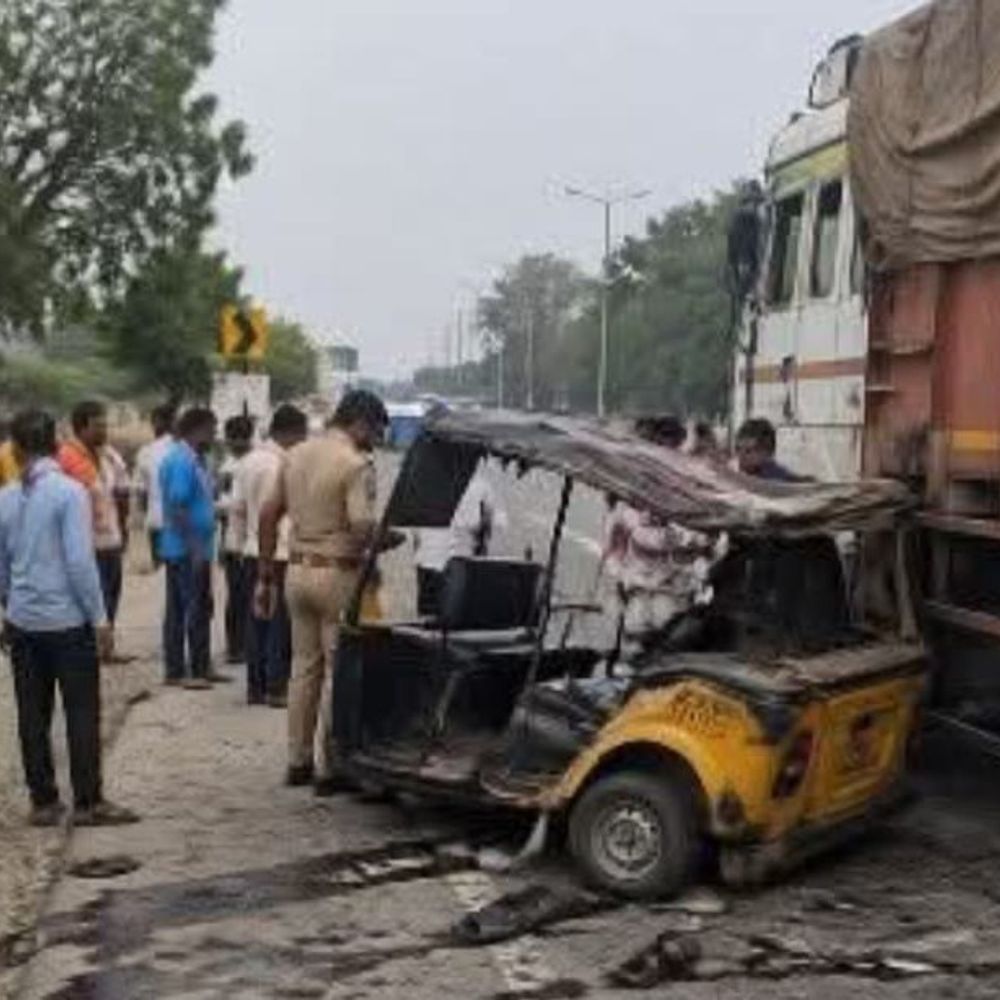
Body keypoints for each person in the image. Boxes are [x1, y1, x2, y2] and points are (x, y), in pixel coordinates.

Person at [257, 389, 399, 795]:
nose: (375, 438)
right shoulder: (356, 464)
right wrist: (388, 538)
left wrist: (265, 575)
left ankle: (297, 761)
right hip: (339, 576)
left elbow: (268, 514)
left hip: (297, 571)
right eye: (375, 430)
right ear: (359, 422)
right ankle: (330, 767)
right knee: (343, 670)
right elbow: (360, 527)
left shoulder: (295, 454)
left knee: (303, 668)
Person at [0, 410, 138, 827]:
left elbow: (2, 564)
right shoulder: (68, 492)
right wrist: (100, 618)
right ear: (57, 445)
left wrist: (7, 606)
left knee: (31, 713)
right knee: (81, 711)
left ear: (17, 449)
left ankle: (43, 801)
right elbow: (80, 562)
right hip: (67, 622)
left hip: (23, 621)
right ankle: (89, 801)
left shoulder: (6, 496)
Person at [234, 404, 308, 706]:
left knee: (257, 621)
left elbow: (238, 510)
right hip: (277, 554)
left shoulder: (248, 461)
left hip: (252, 551)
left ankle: (255, 687)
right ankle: (277, 688)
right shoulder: (284, 464)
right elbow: (279, 515)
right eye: (302, 435)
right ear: (292, 432)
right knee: (280, 623)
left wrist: (240, 545)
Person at [159, 407, 223, 690]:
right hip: (186, 550)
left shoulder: (194, 459)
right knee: (188, 609)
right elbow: (177, 506)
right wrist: (195, 546)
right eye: (212, 429)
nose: (214, 435)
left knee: (197, 606)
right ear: (197, 429)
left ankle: (200, 665)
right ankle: (180, 670)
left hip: (195, 548)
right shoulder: (181, 460)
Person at [58, 401, 131, 633]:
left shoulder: (107, 454)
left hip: (110, 539)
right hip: (86, 542)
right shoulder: (66, 457)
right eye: (98, 426)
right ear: (81, 428)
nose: (104, 431)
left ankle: (106, 646)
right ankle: (92, 646)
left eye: (105, 426)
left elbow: (119, 490)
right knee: (93, 596)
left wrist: (123, 526)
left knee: (111, 593)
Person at [414, 460, 506, 617]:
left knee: (426, 617)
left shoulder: (429, 480)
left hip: (427, 561)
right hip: (458, 566)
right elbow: (486, 530)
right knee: (453, 618)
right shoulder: (482, 486)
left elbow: (417, 528)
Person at [218, 415, 254, 665]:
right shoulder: (227, 468)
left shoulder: (244, 465)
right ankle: (235, 646)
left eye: (240, 438)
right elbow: (224, 510)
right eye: (233, 438)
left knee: (248, 595)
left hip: (249, 540)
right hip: (234, 541)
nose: (236, 443)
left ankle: (245, 645)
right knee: (237, 595)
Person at [133, 405, 175, 568]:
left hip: (156, 520)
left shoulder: (147, 452)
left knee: (160, 573)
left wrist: (143, 516)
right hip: (180, 524)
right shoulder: (184, 450)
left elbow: (141, 490)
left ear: (157, 422)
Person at [735, 418, 807, 482]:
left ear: (767, 453)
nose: (741, 456)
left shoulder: (777, 476)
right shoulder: (735, 474)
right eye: (738, 449)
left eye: (748, 451)